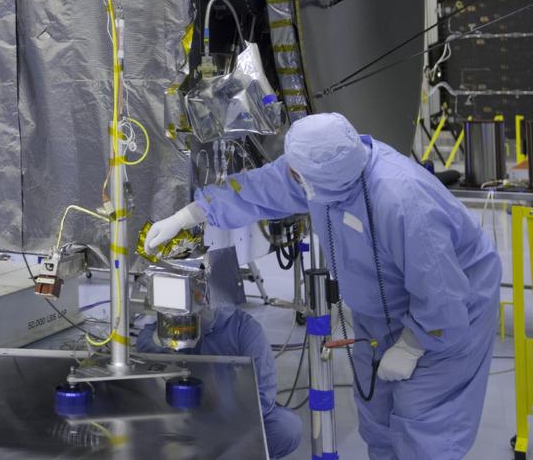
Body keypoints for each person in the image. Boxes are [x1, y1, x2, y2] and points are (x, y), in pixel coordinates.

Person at [145, 112, 500, 460]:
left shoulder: (402, 200)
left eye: (298, 172)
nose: (292, 176)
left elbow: (443, 290)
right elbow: (265, 186)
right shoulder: (324, 175)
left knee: (423, 427)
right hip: (379, 312)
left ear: (328, 175)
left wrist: (413, 344)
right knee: (378, 419)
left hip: (446, 318)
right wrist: (192, 213)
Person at [136, 306, 302, 459]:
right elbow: (143, 346)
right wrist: (166, 334)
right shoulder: (180, 323)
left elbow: (264, 396)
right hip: (189, 421)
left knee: (287, 427)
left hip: (238, 422)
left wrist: (227, 417)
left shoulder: (244, 328)